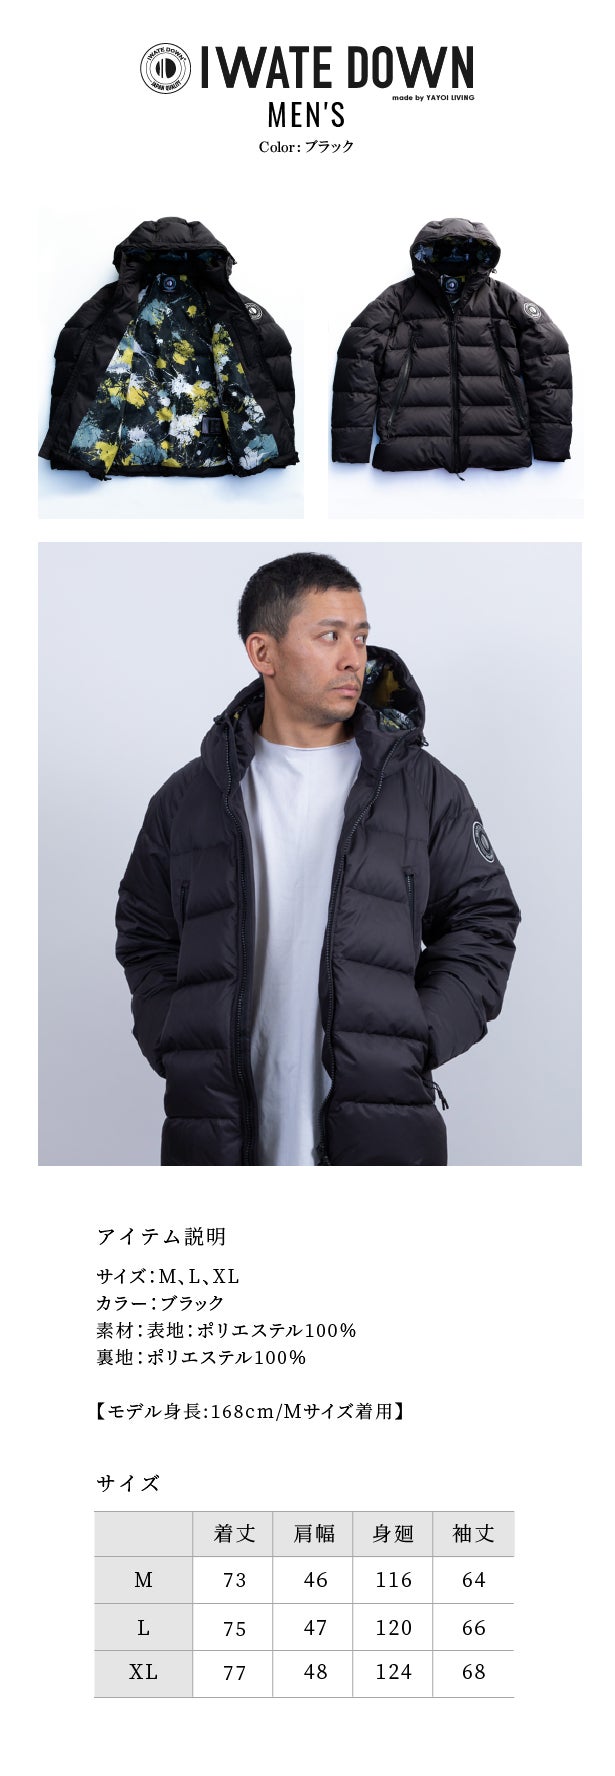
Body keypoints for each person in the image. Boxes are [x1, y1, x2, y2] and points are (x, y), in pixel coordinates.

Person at [116, 552, 520, 1167]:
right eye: (329, 636)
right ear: (264, 653)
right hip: (216, 1140)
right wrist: (176, 1037)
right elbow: (145, 933)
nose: (353, 657)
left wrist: (416, 1037)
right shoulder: (189, 798)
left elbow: (483, 922)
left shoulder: (425, 789)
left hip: (381, 1135)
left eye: (359, 636)